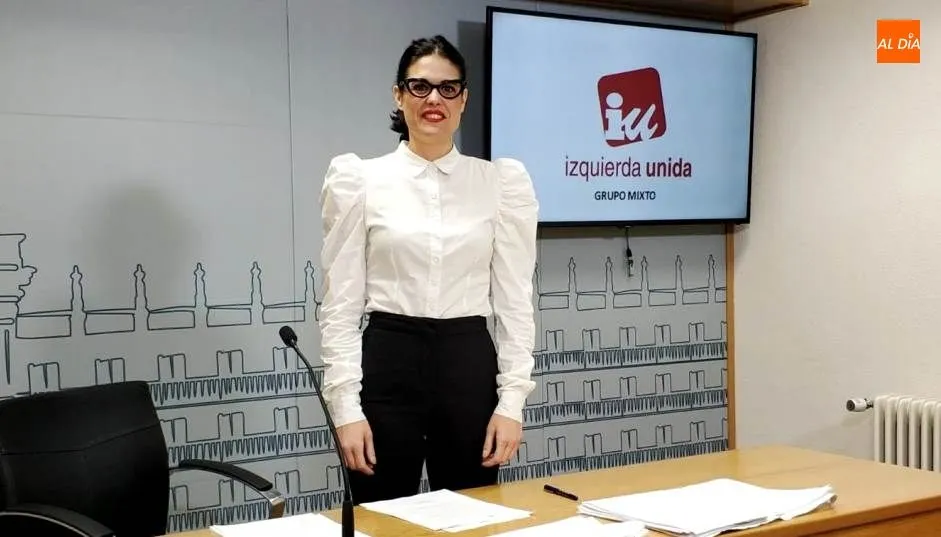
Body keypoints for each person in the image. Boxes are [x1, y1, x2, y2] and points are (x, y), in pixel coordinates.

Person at [317, 34, 538, 504]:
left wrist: (511, 403)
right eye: (419, 86)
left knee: (471, 518)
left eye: (448, 88)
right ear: (399, 96)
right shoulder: (361, 180)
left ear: (464, 99)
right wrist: (345, 408)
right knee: (380, 517)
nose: (434, 98)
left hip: (468, 365)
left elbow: (516, 302)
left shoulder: (499, 184)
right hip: (388, 362)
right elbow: (339, 306)